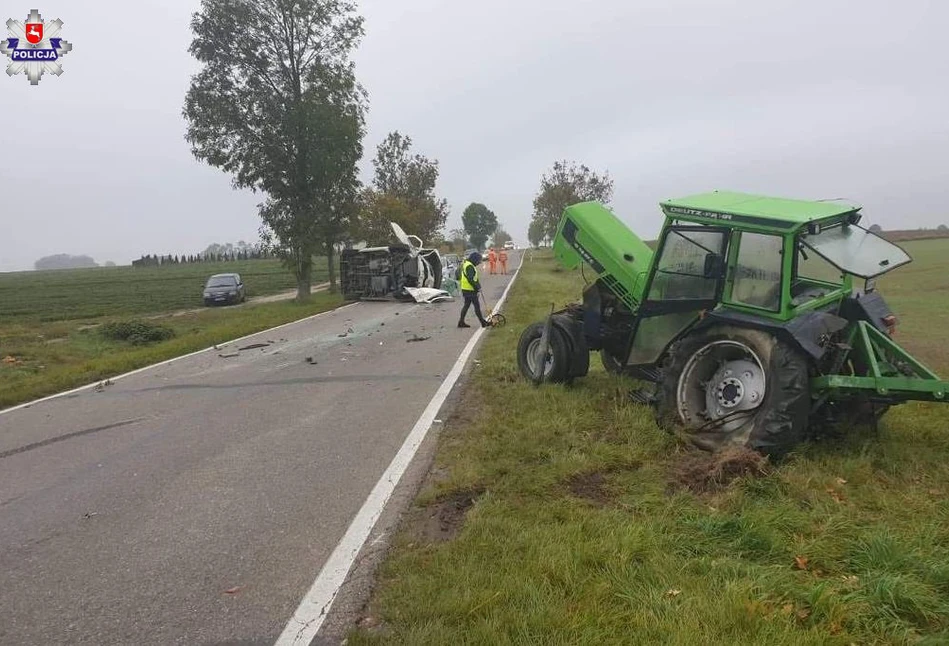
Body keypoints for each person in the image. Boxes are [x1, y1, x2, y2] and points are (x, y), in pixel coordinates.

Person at [458, 251, 490, 328]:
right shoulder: (470, 266)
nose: (479, 262)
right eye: (478, 260)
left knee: (466, 305)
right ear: (474, 259)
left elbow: (473, 278)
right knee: (477, 306)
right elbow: (470, 279)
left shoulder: (466, 264)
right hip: (470, 290)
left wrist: (478, 285)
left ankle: (461, 322)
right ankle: (483, 322)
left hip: (465, 289)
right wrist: (477, 287)